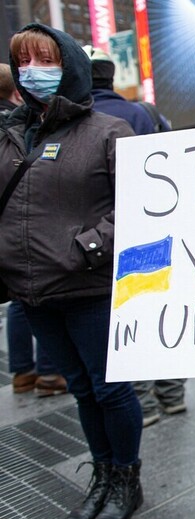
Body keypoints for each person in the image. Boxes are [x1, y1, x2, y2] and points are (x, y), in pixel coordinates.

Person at [0, 24, 143, 519]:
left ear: (71, 66)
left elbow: (141, 208)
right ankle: (102, 476)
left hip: (90, 288)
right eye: (23, 61)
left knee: (110, 390)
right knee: (81, 390)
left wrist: (86, 250)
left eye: (45, 59)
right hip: (33, 291)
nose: (32, 71)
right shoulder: (13, 134)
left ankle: (125, 479)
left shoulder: (107, 131)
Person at [84, 45, 186, 427]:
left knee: (128, 319)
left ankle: (142, 400)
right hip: (154, 228)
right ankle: (173, 394)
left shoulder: (83, 121)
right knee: (158, 307)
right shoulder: (143, 112)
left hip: (107, 239)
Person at [1, 62, 67, 397]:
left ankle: (24, 372)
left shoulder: (24, 125)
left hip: (19, 253)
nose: (32, 71)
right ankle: (48, 372)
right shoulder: (20, 127)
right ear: (16, 89)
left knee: (22, 304)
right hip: (42, 246)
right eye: (24, 63)